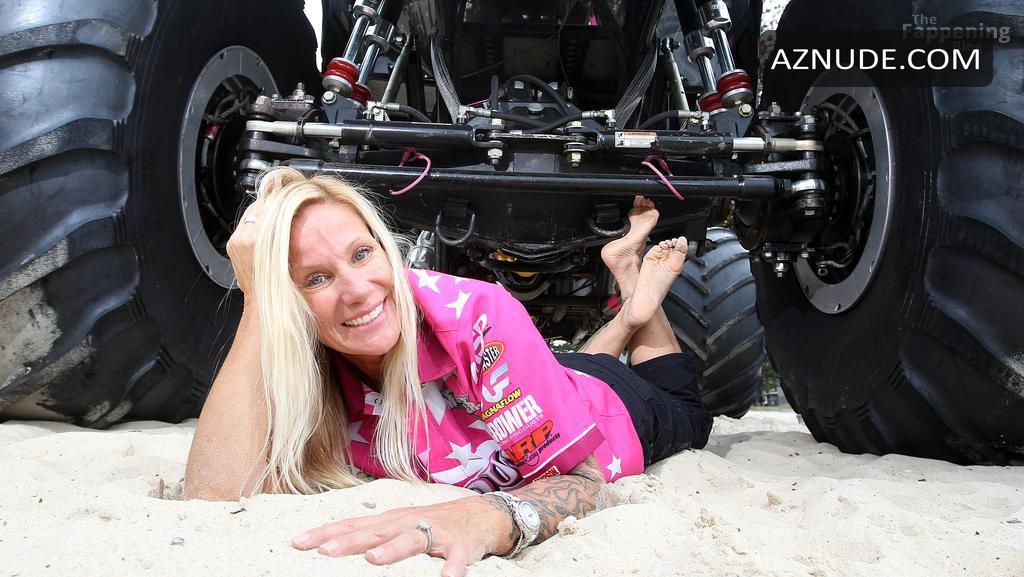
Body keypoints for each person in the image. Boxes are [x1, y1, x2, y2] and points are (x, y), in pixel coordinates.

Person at [184, 167, 712, 577]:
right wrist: (257, 298)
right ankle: (627, 315)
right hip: (538, 377)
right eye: (316, 278)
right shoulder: (310, 359)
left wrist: (489, 516)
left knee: (688, 409)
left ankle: (636, 295)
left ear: (386, 249)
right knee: (576, 363)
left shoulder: (474, 314)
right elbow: (214, 494)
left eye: (362, 254)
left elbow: (587, 482)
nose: (358, 291)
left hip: (614, 408)